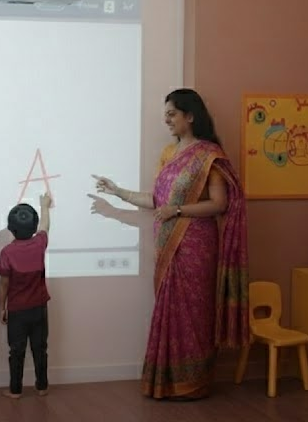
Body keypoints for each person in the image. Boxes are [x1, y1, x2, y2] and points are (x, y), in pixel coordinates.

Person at [90, 88, 251, 400]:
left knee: (194, 311)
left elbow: (219, 203)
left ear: (190, 116)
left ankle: (195, 382)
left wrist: (178, 210)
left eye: (171, 114)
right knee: (170, 308)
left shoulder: (209, 155)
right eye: (165, 115)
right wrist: (117, 192)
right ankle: (167, 381)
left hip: (197, 245)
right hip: (168, 244)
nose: (166, 120)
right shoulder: (169, 154)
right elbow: (155, 200)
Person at [0, 194, 53, 399]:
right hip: (39, 308)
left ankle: (15, 390)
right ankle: (42, 386)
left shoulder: (7, 252)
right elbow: (46, 225)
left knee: (16, 351)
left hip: (17, 310)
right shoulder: (39, 243)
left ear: (11, 229)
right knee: (40, 349)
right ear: (34, 226)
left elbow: (4, 283)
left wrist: (1, 307)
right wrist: (44, 205)